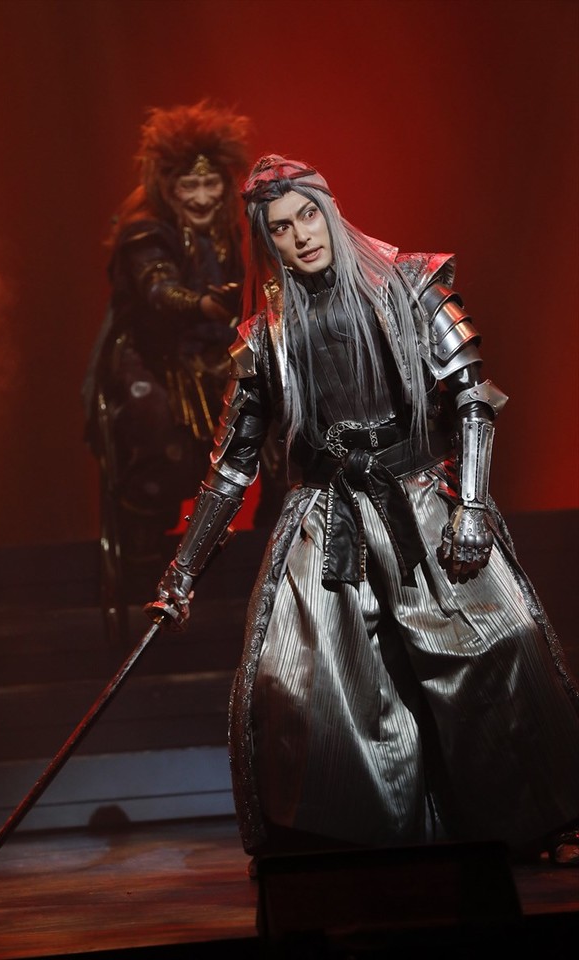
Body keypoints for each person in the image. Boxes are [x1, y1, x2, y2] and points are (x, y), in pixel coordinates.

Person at [147, 155, 579, 867]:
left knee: (507, 641)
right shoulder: (263, 338)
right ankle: (337, 848)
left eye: (308, 215)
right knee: (297, 684)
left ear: (329, 211)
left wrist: (473, 507)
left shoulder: (410, 285)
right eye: (281, 228)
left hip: (419, 498)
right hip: (328, 518)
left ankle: (542, 822)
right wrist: (181, 574)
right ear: (267, 241)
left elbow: (473, 397)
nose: (301, 235)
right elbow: (232, 466)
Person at [82, 103, 283, 614]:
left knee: (286, 415)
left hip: (220, 351)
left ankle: (273, 551)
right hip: (154, 357)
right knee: (151, 426)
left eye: (210, 184)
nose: (201, 197)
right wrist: (201, 304)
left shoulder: (231, 223)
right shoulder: (144, 228)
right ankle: (142, 569)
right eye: (189, 186)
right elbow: (156, 287)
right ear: (168, 186)